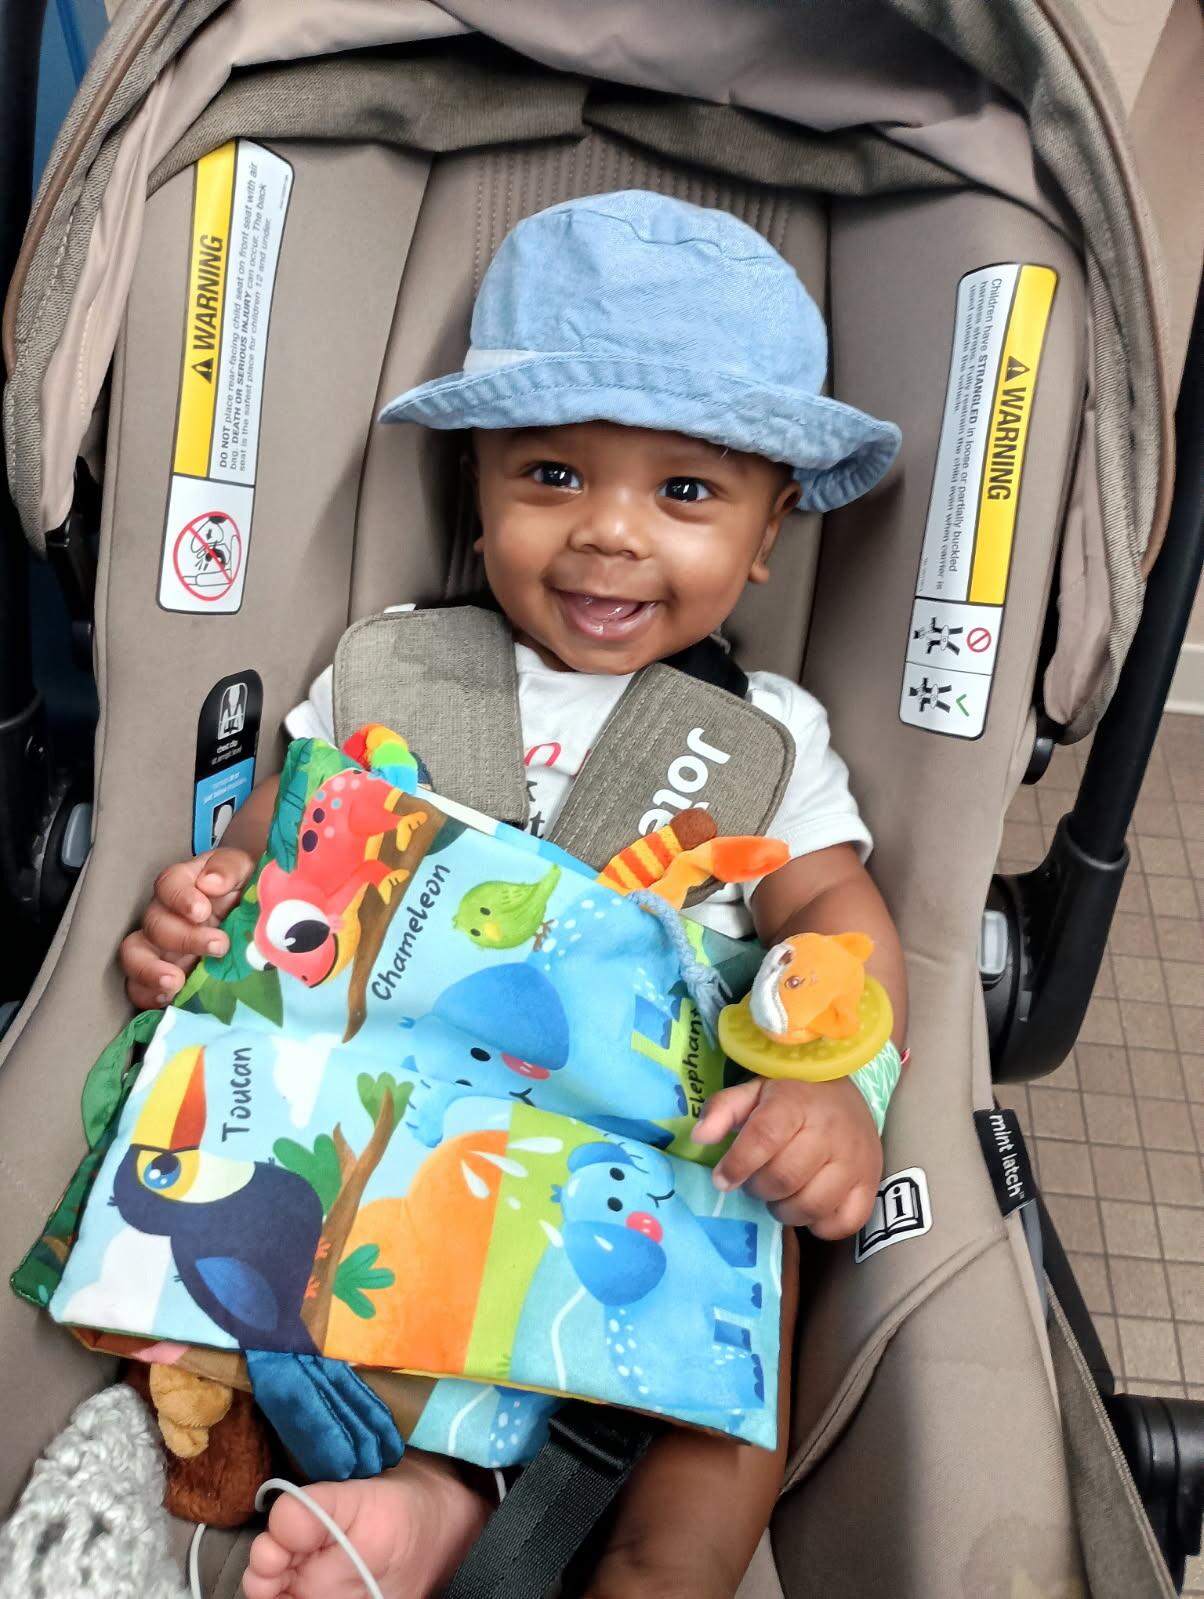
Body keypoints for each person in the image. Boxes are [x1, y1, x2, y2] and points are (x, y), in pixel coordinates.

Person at [118, 192, 908, 1599]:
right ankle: (431, 1496)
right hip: (407, 1118)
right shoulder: (393, 669)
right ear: (476, 481)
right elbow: (266, 854)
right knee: (273, 1213)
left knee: (745, 1302)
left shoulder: (763, 736)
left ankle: (663, 1569)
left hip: (653, 1148)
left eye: (684, 492)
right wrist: (204, 910)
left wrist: (837, 1084)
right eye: (551, 476)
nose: (609, 536)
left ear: (771, 528)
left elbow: (837, 917)